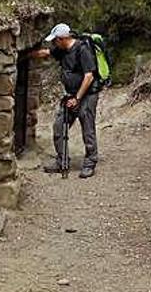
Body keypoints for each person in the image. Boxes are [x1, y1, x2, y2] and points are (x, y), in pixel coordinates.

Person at [30, 23, 100, 178]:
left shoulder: (83, 50)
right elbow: (45, 53)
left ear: (62, 39)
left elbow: (89, 76)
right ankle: (62, 160)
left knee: (87, 127)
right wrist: (27, 54)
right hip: (71, 95)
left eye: (55, 40)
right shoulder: (62, 50)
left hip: (86, 96)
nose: (53, 43)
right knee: (59, 126)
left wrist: (77, 98)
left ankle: (90, 162)